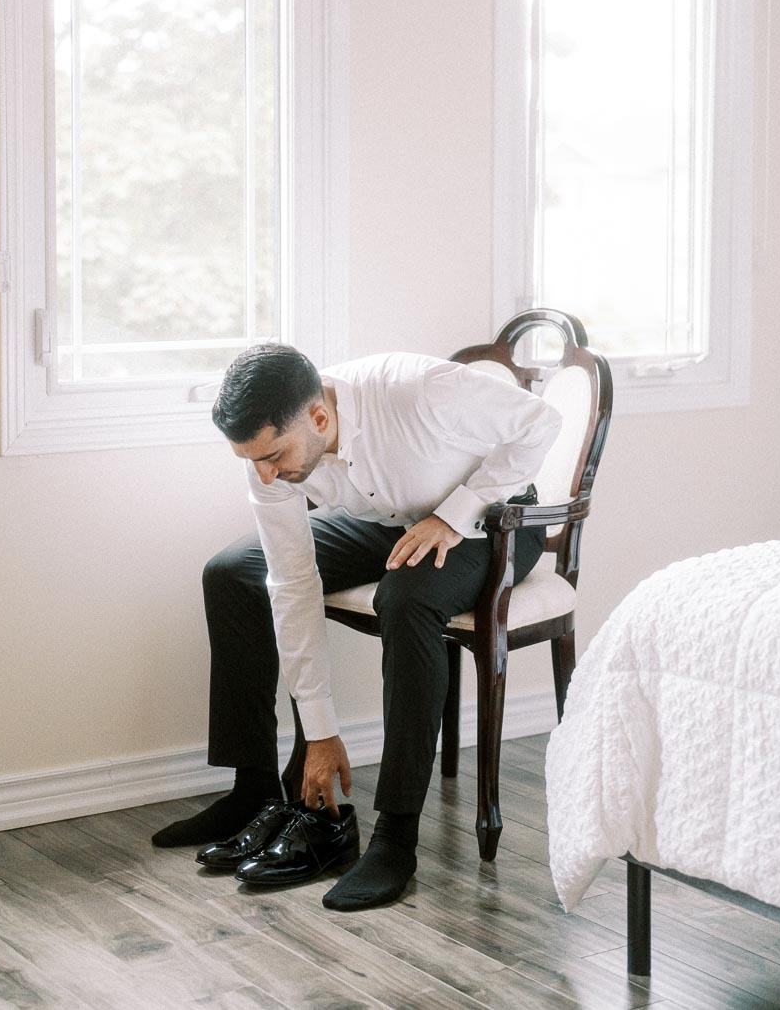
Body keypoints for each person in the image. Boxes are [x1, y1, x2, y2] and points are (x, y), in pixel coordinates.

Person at [152, 345, 561, 909]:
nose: (264, 474)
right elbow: (291, 583)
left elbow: (542, 422)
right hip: (391, 522)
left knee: (407, 599)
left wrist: (455, 514)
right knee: (233, 573)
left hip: (496, 522)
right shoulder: (267, 464)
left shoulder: (421, 389)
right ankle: (253, 789)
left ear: (319, 417)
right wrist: (321, 731)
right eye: (249, 460)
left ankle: (396, 836)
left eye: (272, 455)